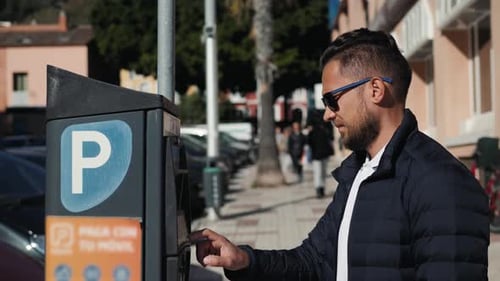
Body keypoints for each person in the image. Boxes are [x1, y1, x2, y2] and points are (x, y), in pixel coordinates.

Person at [191, 28, 490, 281]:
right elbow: (315, 261)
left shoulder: (441, 181)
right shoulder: (359, 173)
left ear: (375, 90)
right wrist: (245, 260)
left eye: (332, 100)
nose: (327, 115)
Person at [307, 110, 334, 198]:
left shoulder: (323, 129)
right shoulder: (315, 131)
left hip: (321, 153)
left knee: (321, 171)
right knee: (319, 171)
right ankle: (319, 188)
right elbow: (309, 142)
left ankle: (321, 188)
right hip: (318, 154)